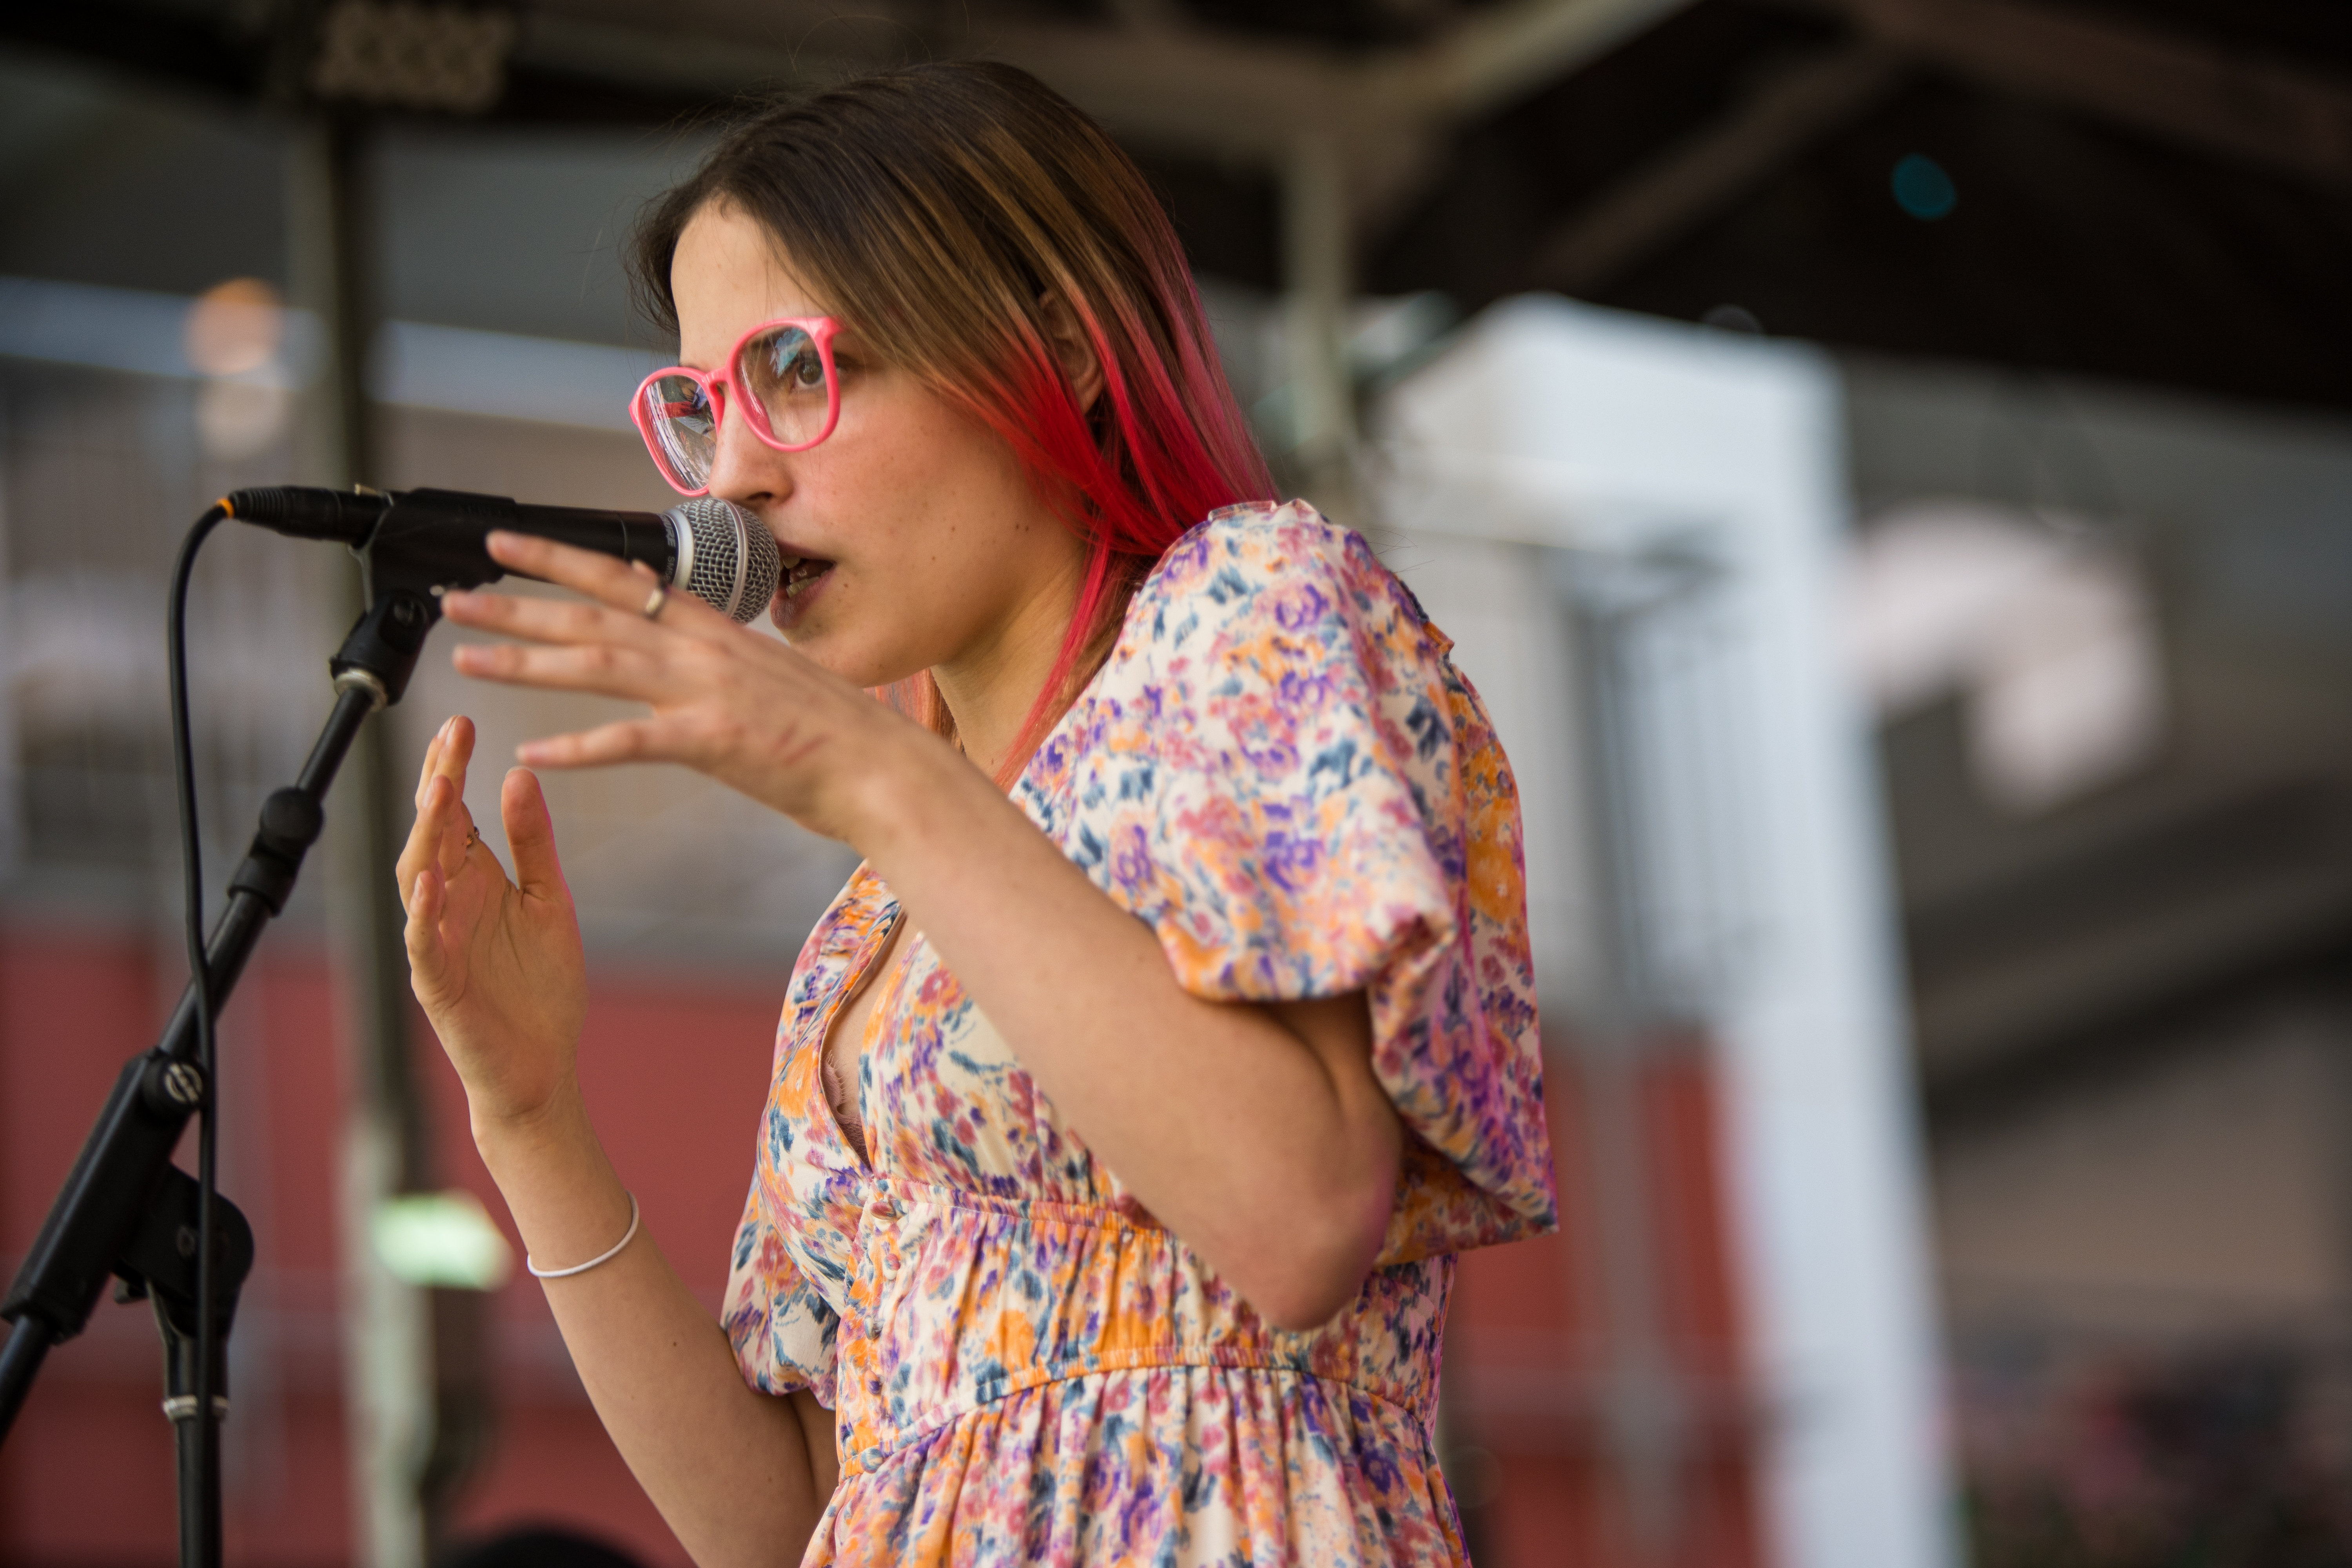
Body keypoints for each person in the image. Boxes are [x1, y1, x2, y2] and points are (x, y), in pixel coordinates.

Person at [397, 61, 1555, 1568]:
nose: (732, 476)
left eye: (797, 373)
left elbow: (1299, 1217)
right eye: (698, 406)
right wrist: (531, 1113)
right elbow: (789, 1520)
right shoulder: (867, 932)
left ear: (1057, 344)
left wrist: (882, 780)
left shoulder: (1247, 609)